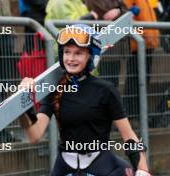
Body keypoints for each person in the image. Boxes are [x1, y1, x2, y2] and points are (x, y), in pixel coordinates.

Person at [18, 25, 151, 175]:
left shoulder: (105, 90)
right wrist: (24, 101)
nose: (71, 58)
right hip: (64, 167)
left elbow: (128, 136)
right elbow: (34, 135)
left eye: (78, 53)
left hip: (101, 164)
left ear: (91, 56)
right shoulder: (55, 90)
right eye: (67, 52)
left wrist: (142, 169)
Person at [123, 0, 160, 115]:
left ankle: (138, 115)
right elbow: (127, 17)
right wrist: (141, 35)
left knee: (143, 81)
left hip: (148, 44)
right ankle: (131, 114)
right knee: (134, 82)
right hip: (139, 45)